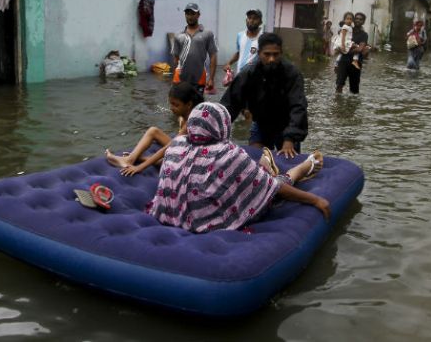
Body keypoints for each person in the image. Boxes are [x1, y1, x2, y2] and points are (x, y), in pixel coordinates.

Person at [144, 102, 329, 233]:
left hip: (171, 216)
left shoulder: (177, 144)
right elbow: (273, 188)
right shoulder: (228, 153)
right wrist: (314, 200)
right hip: (212, 219)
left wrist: (141, 160)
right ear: (223, 125)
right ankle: (306, 165)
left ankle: (265, 164)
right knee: (276, 183)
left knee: (255, 177)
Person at [220, 32, 308, 158]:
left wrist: (290, 139)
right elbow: (230, 103)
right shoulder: (248, 73)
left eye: (275, 54)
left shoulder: (292, 74)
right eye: (267, 54)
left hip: (287, 125)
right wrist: (216, 131)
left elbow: (298, 107)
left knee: (289, 162)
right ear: (259, 53)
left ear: (281, 53)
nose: (271, 59)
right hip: (261, 124)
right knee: (254, 159)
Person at [105, 82, 203, 176]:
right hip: (186, 147)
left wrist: (139, 167)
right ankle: (132, 159)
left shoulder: (192, 120)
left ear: (189, 104)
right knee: (153, 131)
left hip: (193, 158)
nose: (172, 108)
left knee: (166, 160)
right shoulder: (187, 113)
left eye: (176, 105)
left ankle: (135, 160)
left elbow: (168, 147)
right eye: (171, 104)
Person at [171, 3, 217, 95]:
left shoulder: (207, 34)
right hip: (179, 79)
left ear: (198, 15)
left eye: (193, 13)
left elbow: (213, 56)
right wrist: (175, 75)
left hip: (199, 78)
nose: (190, 16)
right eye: (187, 14)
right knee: (179, 106)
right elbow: (175, 58)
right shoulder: (178, 35)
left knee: (196, 107)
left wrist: (211, 78)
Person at [335, 12, 371, 94]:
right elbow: (340, 43)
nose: (358, 20)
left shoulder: (364, 34)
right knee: (339, 85)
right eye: (356, 18)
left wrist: (346, 50)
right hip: (343, 62)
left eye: (360, 19)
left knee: (354, 89)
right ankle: (338, 104)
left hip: (356, 63)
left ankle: (352, 105)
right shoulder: (348, 30)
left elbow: (360, 49)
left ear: (363, 22)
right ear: (353, 20)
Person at [224, 9, 263, 74]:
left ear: (260, 22)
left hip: (255, 78)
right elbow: (239, 52)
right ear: (246, 20)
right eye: (249, 18)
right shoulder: (240, 35)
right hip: (240, 75)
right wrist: (229, 63)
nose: (251, 20)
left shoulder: (263, 37)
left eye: (255, 18)